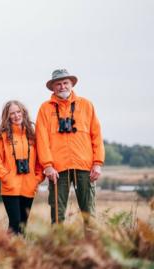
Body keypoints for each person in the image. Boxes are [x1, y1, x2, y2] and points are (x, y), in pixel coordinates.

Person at [36, 69, 104, 224]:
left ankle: (91, 247)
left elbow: (97, 136)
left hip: (84, 167)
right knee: (57, 214)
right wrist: (47, 166)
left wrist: (97, 163)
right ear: (53, 87)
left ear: (72, 84)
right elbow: (42, 139)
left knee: (89, 213)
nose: (62, 87)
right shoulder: (45, 108)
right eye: (58, 84)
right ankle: (59, 247)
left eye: (65, 83)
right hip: (57, 170)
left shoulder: (86, 105)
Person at [0, 100, 43, 235]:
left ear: (23, 112)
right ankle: (8, 252)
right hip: (10, 187)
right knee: (14, 223)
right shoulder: (2, 136)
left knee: (23, 225)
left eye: (18, 112)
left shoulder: (33, 135)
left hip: (29, 185)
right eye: (12, 114)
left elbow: (40, 160)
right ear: (7, 116)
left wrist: (37, 178)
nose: (16, 116)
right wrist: (5, 177)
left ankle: (20, 253)